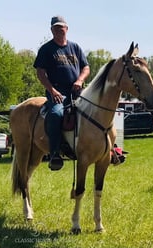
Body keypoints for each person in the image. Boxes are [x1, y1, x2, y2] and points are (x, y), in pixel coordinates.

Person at [33, 15, 90, 171]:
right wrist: (52, 90)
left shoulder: (75, 47)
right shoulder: (46, 49)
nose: (59, 30)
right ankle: (55, 153)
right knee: (56, 114)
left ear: (67, 29)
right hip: (57, 91)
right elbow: (40, 73)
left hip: (76, 90)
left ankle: (110, 149)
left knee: (96, 109)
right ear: (52, 30)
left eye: (62, 27)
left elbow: (86, 67)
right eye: (56, 28)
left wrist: (79, 80)